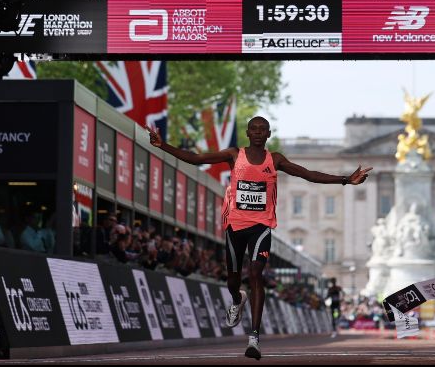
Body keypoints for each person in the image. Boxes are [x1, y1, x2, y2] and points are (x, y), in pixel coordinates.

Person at [144, 116, 371, 360]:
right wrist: (162, 145)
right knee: (233, 279)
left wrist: (346, 179)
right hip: (235, 225)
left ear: (269, 134)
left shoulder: (275, 159)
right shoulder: (234, 155)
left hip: (261, 226)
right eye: (254, 129)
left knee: (255, 274)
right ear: (248, 133)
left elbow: (307, 174)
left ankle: (254, 336)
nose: (259, 133)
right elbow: (197, 159)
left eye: (263, 129)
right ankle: (236, 298)